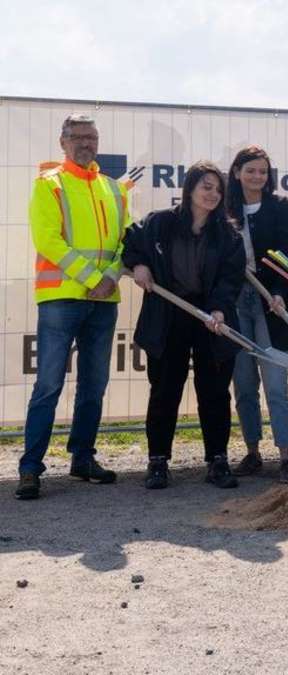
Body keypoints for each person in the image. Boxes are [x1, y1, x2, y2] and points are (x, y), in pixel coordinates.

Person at [15, 114, 129, 500]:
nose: (86, 143)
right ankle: (30, 468)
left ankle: (83, 459)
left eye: (91, 136)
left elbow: (125, 242)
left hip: (104, 300)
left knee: (94, 386)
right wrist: (94, 278)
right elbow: (48, 240)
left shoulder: (114, 188)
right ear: (62, 142)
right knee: (48, 385)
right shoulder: (49, 184)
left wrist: (112, 275)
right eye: (78, 137)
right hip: (61, 298)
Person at [122, 161, 246, 490]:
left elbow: (231, 278)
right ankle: (158, 461)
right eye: (206, 186)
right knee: (164, 389)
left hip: (210, 320)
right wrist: (139, 265)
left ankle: (218, 460)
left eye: (218, 189)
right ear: (189, 188)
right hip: (168, 315)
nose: (213, 194)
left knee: (215, 392)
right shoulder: (160, 224)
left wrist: (219, 310)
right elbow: (131, 242)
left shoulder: (229, 235)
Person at [225, 146, 288, 483]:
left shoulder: (281, 209)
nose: (257, 177)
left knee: (275, 382)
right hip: (235, 302)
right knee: (243, 383)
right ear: (237, 172)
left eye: (262, 171)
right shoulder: (225, 209)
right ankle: (253, 451)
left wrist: (281, 292)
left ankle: (285, 455)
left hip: (272, 304)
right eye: (250, 170)